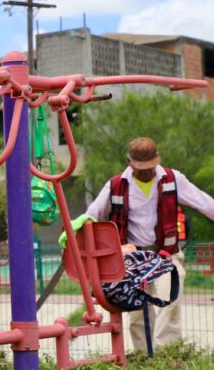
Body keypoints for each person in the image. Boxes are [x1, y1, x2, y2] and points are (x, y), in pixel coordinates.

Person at [85, 137, 214, 350]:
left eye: (150, 167)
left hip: (165, 254)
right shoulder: (116, 185)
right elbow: (92, 214)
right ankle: (144, 355)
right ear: (130, 162)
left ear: (157, 161)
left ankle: (166, 351)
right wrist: (77, 229)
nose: (146, 172)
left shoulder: (172, 179)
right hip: (132, 259)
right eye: (141, 168)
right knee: (136, 312)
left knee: (170, 294)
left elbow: (204, 202)